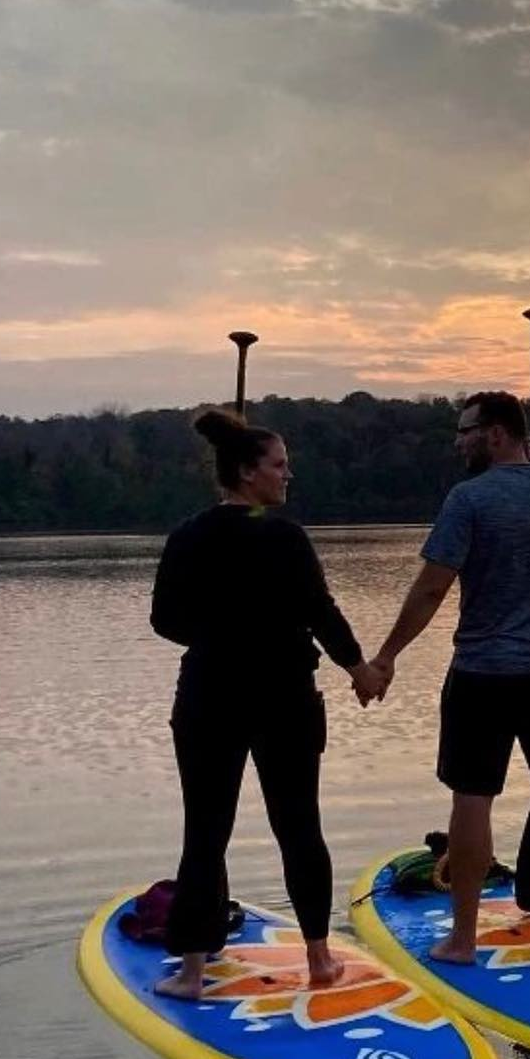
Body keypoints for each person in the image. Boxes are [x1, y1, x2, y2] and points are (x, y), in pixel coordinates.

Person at [370, 390, 530, 964]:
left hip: (483, 674)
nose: (458, 441)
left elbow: (432, 586)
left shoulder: (469, 499)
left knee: (473, 800)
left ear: (499, 433)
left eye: (466, 430)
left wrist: (385, 658)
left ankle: (462, 940)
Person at [149, 407, 386, 999]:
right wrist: (359, 669)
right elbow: (320, 612)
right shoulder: (284, 536)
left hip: (209, 697)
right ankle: (320, 961)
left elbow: (165, 621)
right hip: (285, 699)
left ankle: (194, 972)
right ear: (248, 472)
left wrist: (217, 636)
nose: (287, 475)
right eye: (279, 465)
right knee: (299, 826)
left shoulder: (190, 534)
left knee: (206, 832)